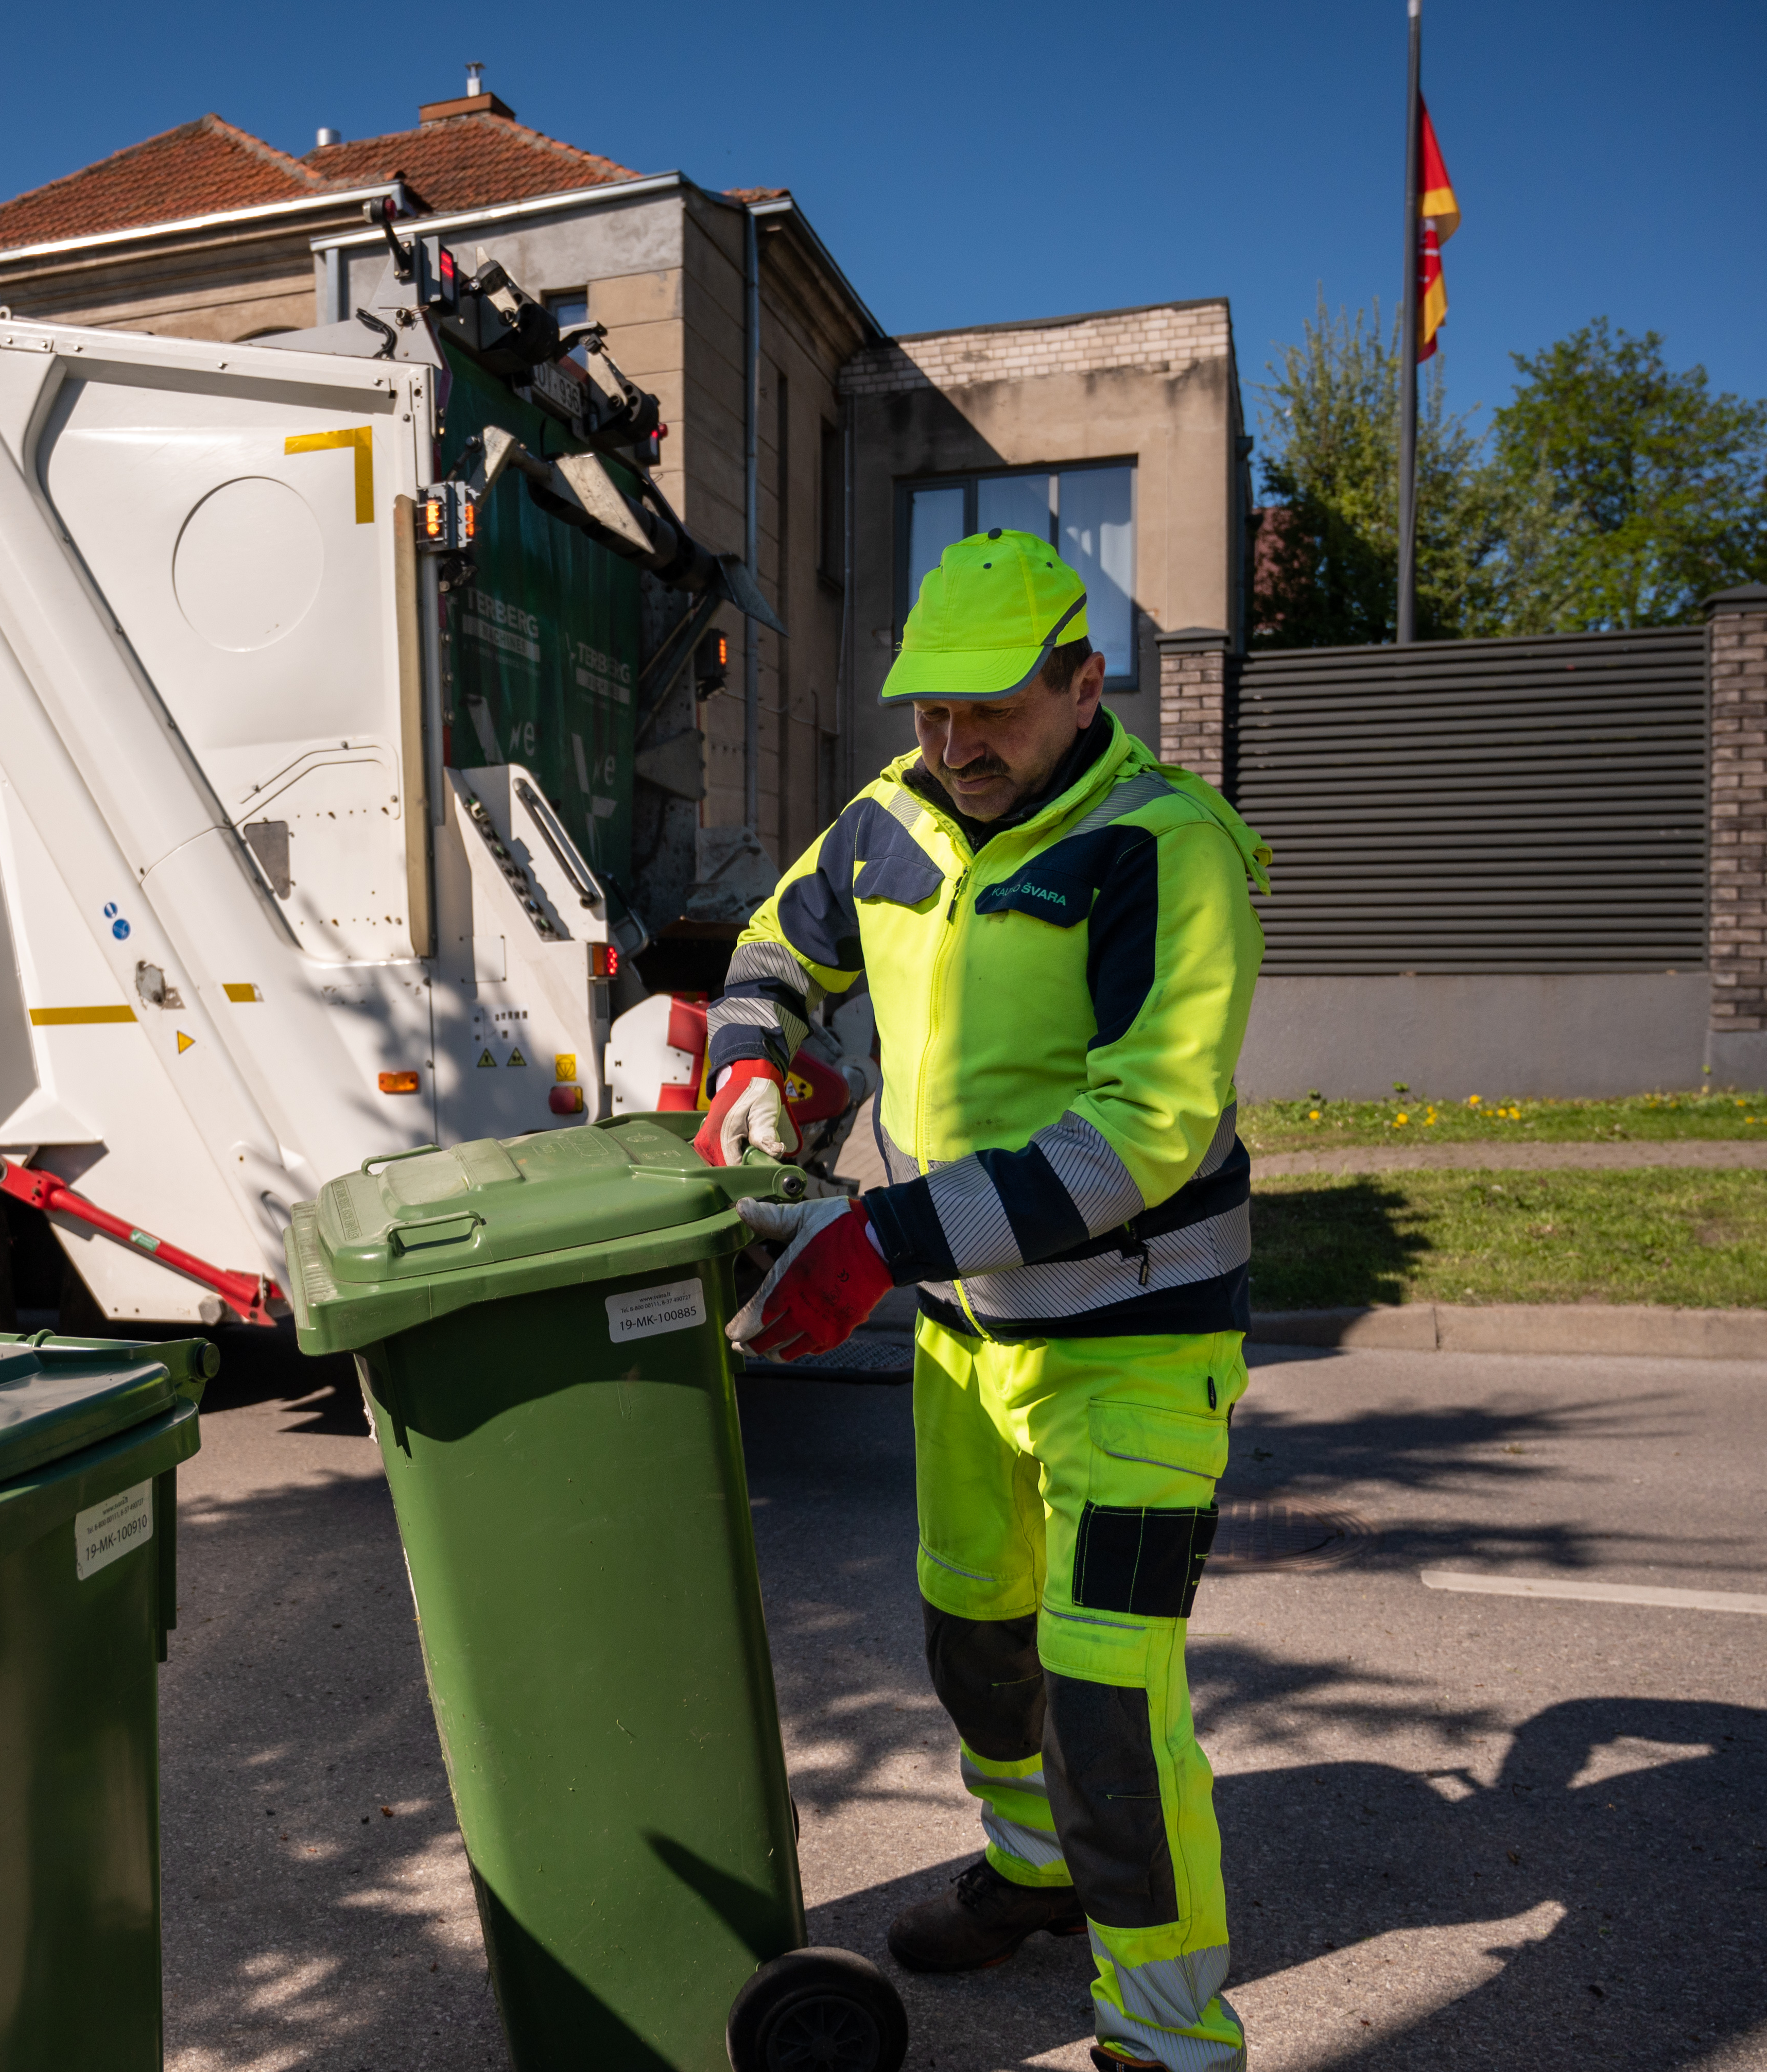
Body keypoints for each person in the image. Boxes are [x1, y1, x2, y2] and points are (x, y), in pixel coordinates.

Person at [699, 529, 1270, 2071]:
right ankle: (1035, 1876)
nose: (955, 750)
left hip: (1135, 1353)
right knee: (975, 1644)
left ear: (1085, 687)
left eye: (993, 716)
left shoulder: (1165, 848)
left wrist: (880, 1238)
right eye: (930, 717)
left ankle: (1168, 2035)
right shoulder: (889, 820)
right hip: (969, 1343)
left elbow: (1145, 1132)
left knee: (1106, 1701)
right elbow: (777, 948)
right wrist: (751, 1056)